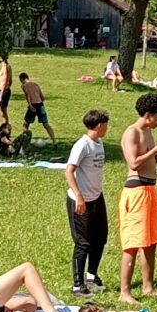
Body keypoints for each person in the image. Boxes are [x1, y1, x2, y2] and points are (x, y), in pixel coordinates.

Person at [118, 92, 157, 303]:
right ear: (148, 114)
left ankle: (147, 286)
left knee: (151, 242)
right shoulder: (132, 133)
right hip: (136, 191)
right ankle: (124, 292)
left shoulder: (149, 133)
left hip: (150, 190)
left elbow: (149, 161)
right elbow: (133, 163)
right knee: (133, 243)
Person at [66, 109, 110, 298]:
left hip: (96, 197)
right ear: (99, 125)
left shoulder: (99, 143)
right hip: (80, 200)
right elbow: (69, 171)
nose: (107, 128)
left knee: (100, 238)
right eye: (106, 124)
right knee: (83, 242)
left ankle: (92, 276)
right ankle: (78, 284)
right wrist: (79, 197)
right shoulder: (82, 145)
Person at [18, 72, 58, 144]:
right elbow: (42, 98)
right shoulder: (36, 85)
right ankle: (54, 140)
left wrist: (30, 105)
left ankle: (26, 141)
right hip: (41, 105)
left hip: (33, 105)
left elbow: (28, 96)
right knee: (46, 124)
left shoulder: (24, 85)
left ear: (22, 79)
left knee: (26, 124)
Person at [0, 54, 12, 131]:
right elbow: (10, 81)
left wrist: (0, 95)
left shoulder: (5, 67)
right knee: (1, 111)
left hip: (2, 91)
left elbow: (4, 82)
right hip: (2, 90)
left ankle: (2, 130)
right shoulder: (8, 66)